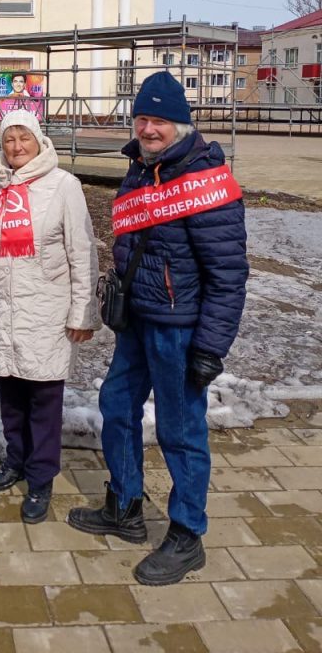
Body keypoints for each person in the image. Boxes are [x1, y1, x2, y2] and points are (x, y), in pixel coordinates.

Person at [68, 71, 249, 585]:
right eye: (142, 118)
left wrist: (210, 347)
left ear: (180, 124)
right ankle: (125, 505)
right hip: (138, 321)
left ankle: (187, 535)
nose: (148, 128)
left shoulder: (206, 179)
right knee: (116, 406)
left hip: (181, 329)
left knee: (180, 430)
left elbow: (228, 274)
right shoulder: (141, 168)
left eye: (159, 121)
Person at [0, 110, 99, 523]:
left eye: (23, 138)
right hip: (1, 308)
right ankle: (16, 459)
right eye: (9, 139)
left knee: (44, 398)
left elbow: (82, 252)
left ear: (39, 140)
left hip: (47, 309)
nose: (16, 147)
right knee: (10, 391)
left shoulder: (64, 185)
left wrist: (83, 312)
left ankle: (41, 477)